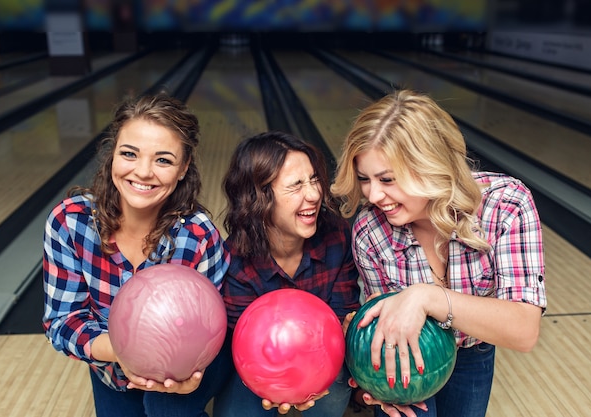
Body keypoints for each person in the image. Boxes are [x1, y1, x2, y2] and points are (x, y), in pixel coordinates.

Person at [331, 89, 547, 417]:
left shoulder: (507, 206)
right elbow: (384, 326)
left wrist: (428, 297)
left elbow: (524, 330)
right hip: (409, 350)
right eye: (365, 179)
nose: (374, 194)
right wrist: (371, 380)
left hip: (474, 350)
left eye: (388, 179)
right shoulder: (371, 230)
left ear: (430, 166)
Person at [42, 93, 232, 417]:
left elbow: (217, 329)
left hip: (185, 371)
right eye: (129, 153)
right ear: (112, 155)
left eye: (163, 160)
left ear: (184, 168)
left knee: (166, 408)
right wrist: (126, 351)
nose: (143, 172)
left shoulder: (197, 236)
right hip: (112, 369)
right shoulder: (70, 223)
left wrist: (191, 373)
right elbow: (63, 322)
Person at [212, 131, 361, 417]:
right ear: (259, 198)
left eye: (314, 179)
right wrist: (276, 386)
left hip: (323, 362)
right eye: (296, 186)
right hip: (260, 367)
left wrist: (307, 380)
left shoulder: (337, 236)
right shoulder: (236, 261)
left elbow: (343, 318)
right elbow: (242, 345)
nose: (315, 194)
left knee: (330, 396)